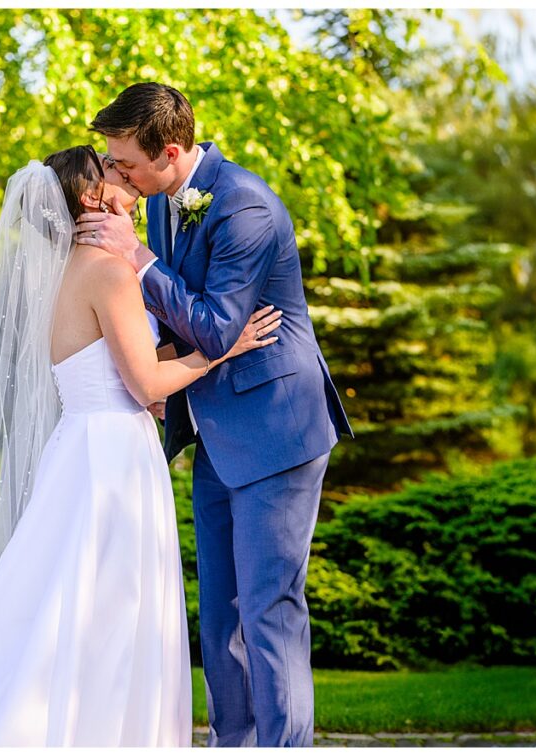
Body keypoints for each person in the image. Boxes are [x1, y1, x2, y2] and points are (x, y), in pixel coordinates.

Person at [0, 145, 283, 747]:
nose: (125, 178)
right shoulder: (110, 271)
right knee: (114, 610)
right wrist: (224, 347)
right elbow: (147, 383)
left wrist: (184, 360)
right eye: (111, 172)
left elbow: (127, 369)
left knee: (65, 601)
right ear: (92, 199)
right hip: (113, 459)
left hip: (84, 447)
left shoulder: (67, 269)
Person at [79, 83, 354, 747]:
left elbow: (214, 326)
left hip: (276, 430)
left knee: (268, 611)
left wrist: (136, 258)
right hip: (215, 433)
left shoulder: (245, 206)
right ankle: (235, 743)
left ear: (170, 152)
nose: (116, 176)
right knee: (219, 620)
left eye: (125, 165)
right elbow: (175, 317)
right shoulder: (165, 204)